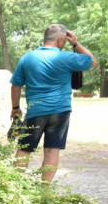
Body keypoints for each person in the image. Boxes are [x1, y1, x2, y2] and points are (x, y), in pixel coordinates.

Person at [9, 24, 95, 182]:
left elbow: (16, 85)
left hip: (35, 111)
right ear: (61, 40)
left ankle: (13, 188)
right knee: (52, 151)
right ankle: (45, 191)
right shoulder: (67, 57)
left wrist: (15, 107)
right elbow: (91, 61)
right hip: (60, 111)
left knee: (24, 149)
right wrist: (75, 43)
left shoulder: (27, 58)